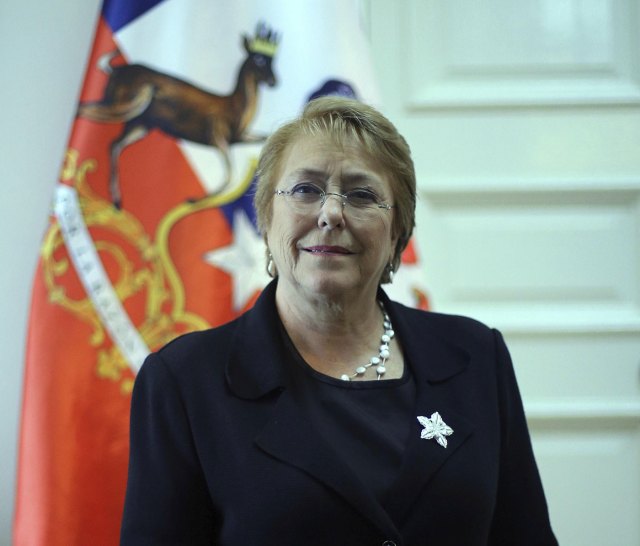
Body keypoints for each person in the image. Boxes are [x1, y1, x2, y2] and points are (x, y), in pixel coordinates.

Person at [120, 97, 558, 545]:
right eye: (306, 190)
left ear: (397, 236)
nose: (331, 213)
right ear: (267, 219)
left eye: (361, 194)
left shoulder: (476, 356)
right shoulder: (185, 382)